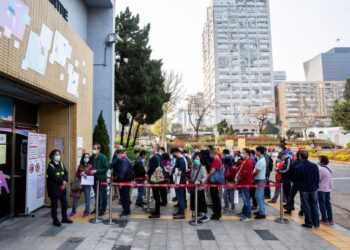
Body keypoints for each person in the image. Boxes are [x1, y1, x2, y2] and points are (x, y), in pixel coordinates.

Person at [294, 150, 320, 229]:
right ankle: (316, 223)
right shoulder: (314, 166)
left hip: (304, 189)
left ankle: (309, 223)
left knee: (306, 206)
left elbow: (296, 180)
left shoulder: (298, 167)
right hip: (314, 188)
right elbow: (317, 177)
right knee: (315, 205)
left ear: (300, 157)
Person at [46, 149, 73, 227]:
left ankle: (64, 218)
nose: (58, 156)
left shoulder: (61, 164)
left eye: (59, 154)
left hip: (62, 188)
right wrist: (62, 181)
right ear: (52, 156)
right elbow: (54, 176)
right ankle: (55, 220)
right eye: (56, 155)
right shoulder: (50, 166)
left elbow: (66, 173)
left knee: (64, 204)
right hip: (54, 189)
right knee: (54, 205)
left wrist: (65, 180)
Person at [69, 153, 96, 218]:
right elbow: (77, 173)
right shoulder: (80, 165)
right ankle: (73, 211)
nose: (86, 158)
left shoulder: (91, 166)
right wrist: (80, 174)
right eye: (85, 157)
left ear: (89, 159)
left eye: (87, 157)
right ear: (83, 158)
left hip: (87, 184)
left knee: (87, 199)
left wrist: (86, 173)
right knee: (76, 198)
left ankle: (86, 212)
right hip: (79, 184)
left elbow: (92, 174)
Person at [111, 148, 132, 218]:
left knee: (124, 197)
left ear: (119, 154)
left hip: (124, 182)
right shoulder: (127, 159)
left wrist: (120, 182)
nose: (117, 157)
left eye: (117, 155)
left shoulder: (123, 160)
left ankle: (126, 212)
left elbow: (122, 172)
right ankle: (126, 210)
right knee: (126, 196)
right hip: (127, 181)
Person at [235, 148, 254, 222]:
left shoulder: (249, 162)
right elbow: (240, 170)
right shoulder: (245, 161)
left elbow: (244, 174)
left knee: (246, 200)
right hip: (242, 183)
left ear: (247, 153)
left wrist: (237, 179)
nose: (242, 154)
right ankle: (244, 213)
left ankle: (248, 216)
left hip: (245, 183)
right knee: (245, 199)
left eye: (243, 152)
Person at [190, 152, 209, 222]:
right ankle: (199, 213)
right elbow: (192, 176)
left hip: (199, 188)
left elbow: (205, 177)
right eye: (195, 158)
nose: (196, 160)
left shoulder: (202, 167)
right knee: (195, 201)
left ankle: (205, 216)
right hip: (193, 187)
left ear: (200, 160)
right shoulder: (193, 167)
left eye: (198, 158)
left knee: (201, 201)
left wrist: (200, 182)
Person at [91, 144, 109, 216]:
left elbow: (106, 168)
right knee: (96, 194)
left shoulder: (103, 157)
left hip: (101, 179)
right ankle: (97, 208)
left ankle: (103, 210)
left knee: (103, 194)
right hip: (94, 179)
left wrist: (97, 171)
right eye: (93, 148)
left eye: (95, 148)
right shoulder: (92, 157)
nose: (93, 150)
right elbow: (89, 166)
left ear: (99, 149)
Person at [147, 145, 165, 219]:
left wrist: (147, 174)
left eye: (152, 148)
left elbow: (152, 168)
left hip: (154, 179)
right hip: (159, 178)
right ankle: (156, 211)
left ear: (155, 149)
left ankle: (157, 213)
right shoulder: (160, 156)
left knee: (156, 195)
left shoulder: (154, 158)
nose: (151, 149)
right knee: (157, 195)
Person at [207, 148, 223, 220]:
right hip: (215, 180)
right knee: (215, 196)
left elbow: (212, 171)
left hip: (214, 180)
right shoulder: (218, 159)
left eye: (210, 153)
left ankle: (217, 213)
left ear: (213, 153)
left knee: (215, 197)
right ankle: (216, 212)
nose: (209, 155)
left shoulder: (216, 160)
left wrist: (207, 178)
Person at [317, 156, 334, 225]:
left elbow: (318, 179)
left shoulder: (321, 169)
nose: (318, 161)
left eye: (319, 160)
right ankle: (330, 219)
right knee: (328, 204)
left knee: (322, 204)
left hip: (321, 189)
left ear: (322, 162)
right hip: (328, 188)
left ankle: (324, 219)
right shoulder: (328, 168)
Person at [172, 147, 187, 219]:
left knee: (180, 197)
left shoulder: (180, 160)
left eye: (173, 153)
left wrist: (176, 181)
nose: (173, 155)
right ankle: (180, 212)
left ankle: (181, 213)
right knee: (180, 197)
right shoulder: (180, 159)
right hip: (179, 181)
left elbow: (179, 173)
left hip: (179, 181)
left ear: (176, 152)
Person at [253, 146, 267, 219]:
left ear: (259, 152)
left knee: (258, 196)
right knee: (260, 197)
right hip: (260, 180)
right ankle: (261, 210)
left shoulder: (261, 161)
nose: (255, 153)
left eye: (256, 151)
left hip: (260, 181)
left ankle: (262, 213)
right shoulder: (260, 159)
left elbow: (256, 172)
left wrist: (252, 176)